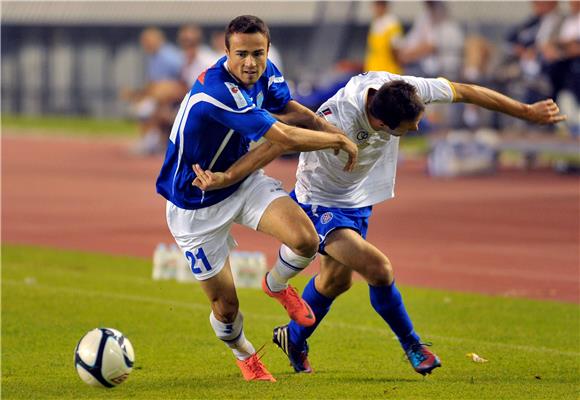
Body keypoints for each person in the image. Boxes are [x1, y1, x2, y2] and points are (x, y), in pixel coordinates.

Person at [192, 72, 566, 376]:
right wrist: (227, 177)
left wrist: (527, 112)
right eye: (407, 128)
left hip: (358, 200)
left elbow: (466, 91)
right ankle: (413, 346)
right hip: (318, 202)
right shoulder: (338, 117)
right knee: (379, 269)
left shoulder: (402, 89)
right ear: (379, 122)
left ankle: (293, 338)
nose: (416, 129)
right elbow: (277, 143)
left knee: (335, 282)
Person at [156, 15, 358, 382]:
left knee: (305, 239)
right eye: (242, 55)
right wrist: (339, 140)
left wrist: (325, 126)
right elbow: (284, 136)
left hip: (241, 181)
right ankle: (244, 354)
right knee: (226, 307)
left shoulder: (266, 71)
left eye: (258, 54)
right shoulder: (217, 90)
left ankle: (276, 285)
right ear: (226, 52)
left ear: (266, 49)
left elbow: (290, 110)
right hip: (195, 201)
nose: (251, 64)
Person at [123, 27, 185, 155]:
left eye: (147, 41)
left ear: (158, 40)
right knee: (145, 106)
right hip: (163, 97)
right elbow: (154, 84)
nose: (145, 45)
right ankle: (151, 140)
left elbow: (180, 80)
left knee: (146, 108)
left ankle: (152, 141)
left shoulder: (169, 57)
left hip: (176, 98)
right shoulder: (155, 57)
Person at [364, 1, 403, 74]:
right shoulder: (376, 22)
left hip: (388, 71)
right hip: (375, 70)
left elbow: (396, 48)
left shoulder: (391, 23)